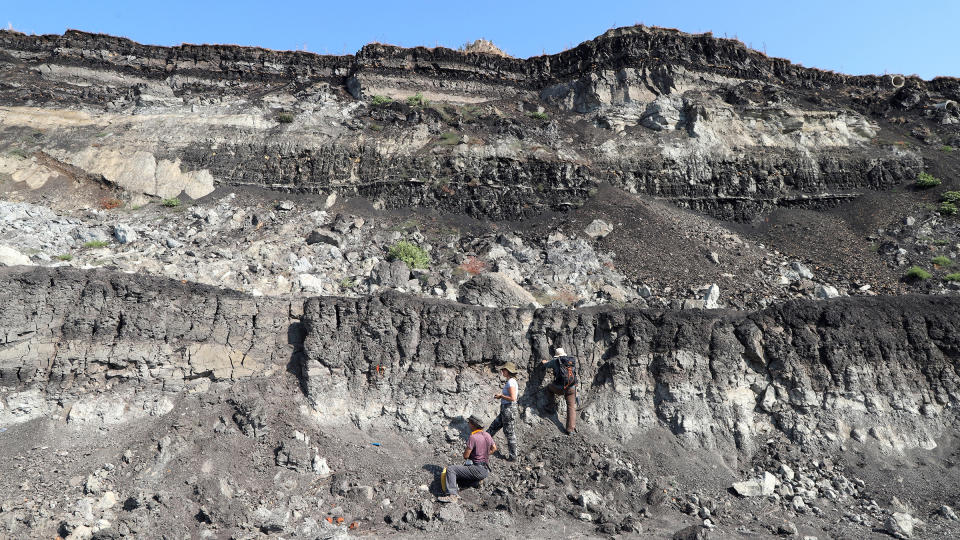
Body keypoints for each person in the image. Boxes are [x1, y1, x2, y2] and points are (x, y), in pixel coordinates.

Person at [438, 415, 496, 503]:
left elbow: (466, 456)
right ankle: (476, 483)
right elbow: (494, 448)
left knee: (451, 470)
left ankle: (452, 495)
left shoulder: (473, 437)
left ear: (473, 425)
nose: (468, 424)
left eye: (469, 423)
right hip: (485, 469)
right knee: (461, 476)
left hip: (477, 468)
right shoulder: (487, 435)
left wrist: (473, 455)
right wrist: (484, 455)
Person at [541, 346, 578, 435]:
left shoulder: (556, 361)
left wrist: (544, 362)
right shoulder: (571, 361)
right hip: (572, 387)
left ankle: (550, 407)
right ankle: (570, 429)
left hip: (561, 388)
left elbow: (546, 365)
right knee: (571, 406)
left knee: (549, 387)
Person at [487, 361, 519, 461]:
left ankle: (513, 456)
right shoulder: (511, 381)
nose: (502, 371)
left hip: (508, 409)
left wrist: (501, 396)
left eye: (503, 370)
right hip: (506, 410)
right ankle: (482, 445)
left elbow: (513, 397)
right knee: (493, 427)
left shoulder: (511, 382)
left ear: (508, 371)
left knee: (509, 433)